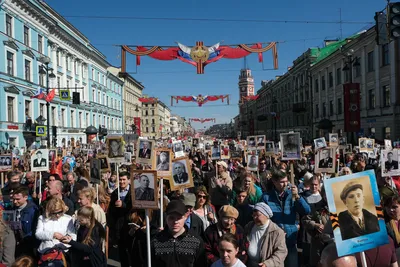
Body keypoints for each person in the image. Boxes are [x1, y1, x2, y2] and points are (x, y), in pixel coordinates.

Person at [262, 170, 310, 267]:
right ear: (274, 182)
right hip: (274, 240)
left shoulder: (292, 195)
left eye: (286, 181)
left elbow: (306, 211)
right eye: (281, 182)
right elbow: (262, 217)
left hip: (290, 239)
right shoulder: (266, 197)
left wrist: (297, 197)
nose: (285, 184)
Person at [151, 200, 206, 267]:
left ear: (185, 217)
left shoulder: (196, 241)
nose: (175, 221)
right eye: (172, 218)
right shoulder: (156, 241)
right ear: (166, 218)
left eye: (179, 218)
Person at [244, 202, 287, 267]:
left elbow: (281, 252)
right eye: (253, 215)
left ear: (266, 215)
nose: (254, 218)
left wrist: (267, 264)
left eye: (257, 215)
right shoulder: (249, 226)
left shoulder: (277, 232)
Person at [11, 186, 39, 258]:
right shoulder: (12, 210)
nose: (15, 202)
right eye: (13, 199)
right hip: (15, 244)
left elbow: (34, 229)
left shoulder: (33, 211)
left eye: (18, 199)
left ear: (25, 197)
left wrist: (24, 239)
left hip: (29, 245)